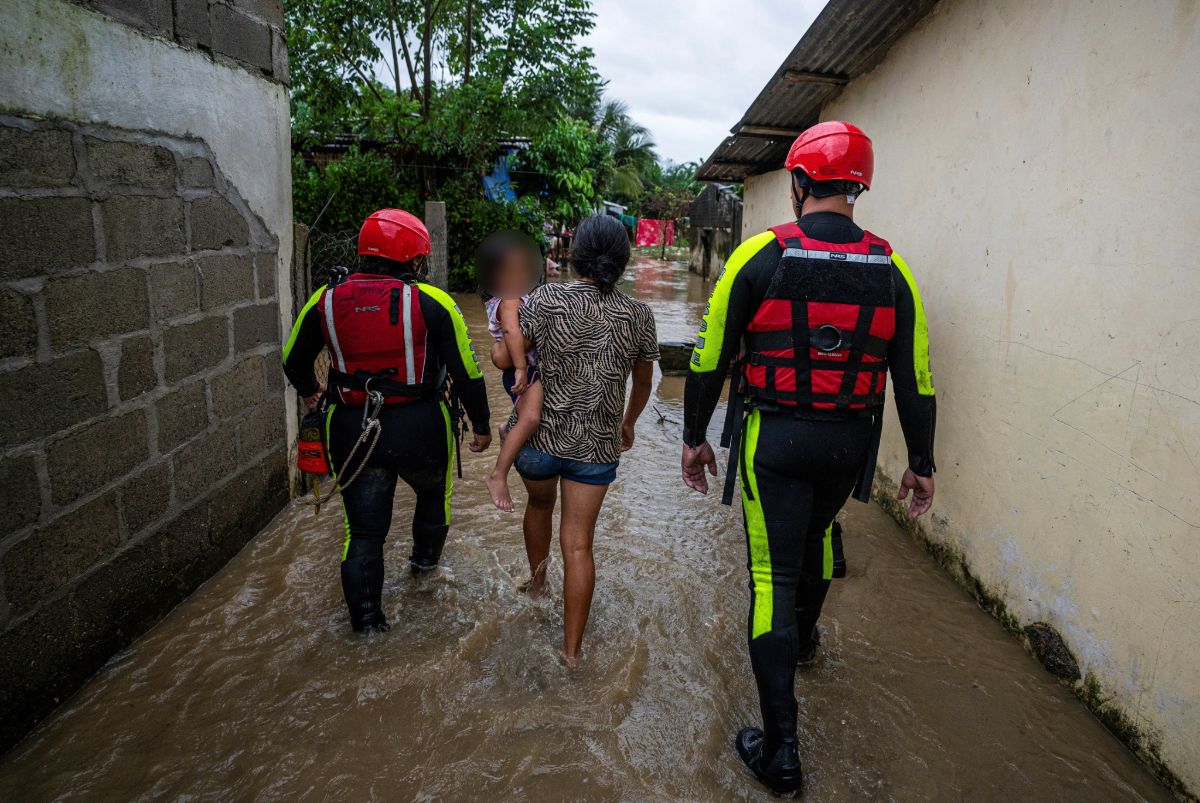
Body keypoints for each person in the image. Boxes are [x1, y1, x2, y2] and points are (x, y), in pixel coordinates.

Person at [680, 121, 937, 794]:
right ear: (858, 186)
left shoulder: (759, 255)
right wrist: (922, 461)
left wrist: (694, 436)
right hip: (851, 443)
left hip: (777, 442)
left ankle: (782, 752)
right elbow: (914, 377)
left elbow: (707, 359)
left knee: (771, 575)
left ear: (798, 183)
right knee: (821, 534)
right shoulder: (893, 267)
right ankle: (810, 639)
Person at [282, 208, 492, 634]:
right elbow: (469, 373)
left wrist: (310, 391)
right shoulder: (435, 302)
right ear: (414, 260)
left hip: (351, 428)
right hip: (422, 427)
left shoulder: (325, 298)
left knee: (362, 531)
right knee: (434, 498)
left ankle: (367, 626)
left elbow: (293, 361)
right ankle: (424, 571)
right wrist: (483, 426)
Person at [514, 214, 658, 666]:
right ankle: (572, 653)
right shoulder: (638, 314)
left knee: (539, 506)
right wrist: (628, 422)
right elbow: (642, 384)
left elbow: (513, 354)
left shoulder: (543, 299)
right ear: (623, 259)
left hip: (538, 442)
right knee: (578, 545)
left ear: (574, 255)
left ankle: (537, 586)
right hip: (596, 448)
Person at [476, 233, 544, 512]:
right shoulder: (508, 301)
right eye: (510, 271)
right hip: (522, 368)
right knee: (532, 416)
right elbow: (511, 331)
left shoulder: (516, 297)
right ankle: (498, 474)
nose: (518, 276)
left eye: (522, 270)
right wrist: (519, 367)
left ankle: (508, 428)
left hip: (524, 367)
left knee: (529, 416)